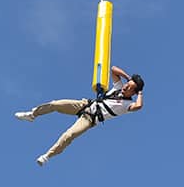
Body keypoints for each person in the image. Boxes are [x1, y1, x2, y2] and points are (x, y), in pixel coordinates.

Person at [15, 66, 144, 166]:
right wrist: (128, 78)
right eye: (127, 84)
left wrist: (140, 92)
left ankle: (47, 156)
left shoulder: (127, 105)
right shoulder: (119, 87)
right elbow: (113, 69)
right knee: (56, 104)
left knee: (69, 135)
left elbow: (138, 106)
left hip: (90, 118)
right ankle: (33, 114)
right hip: (85, 104)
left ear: (133, 92)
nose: (126, 87)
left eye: (130, 88)